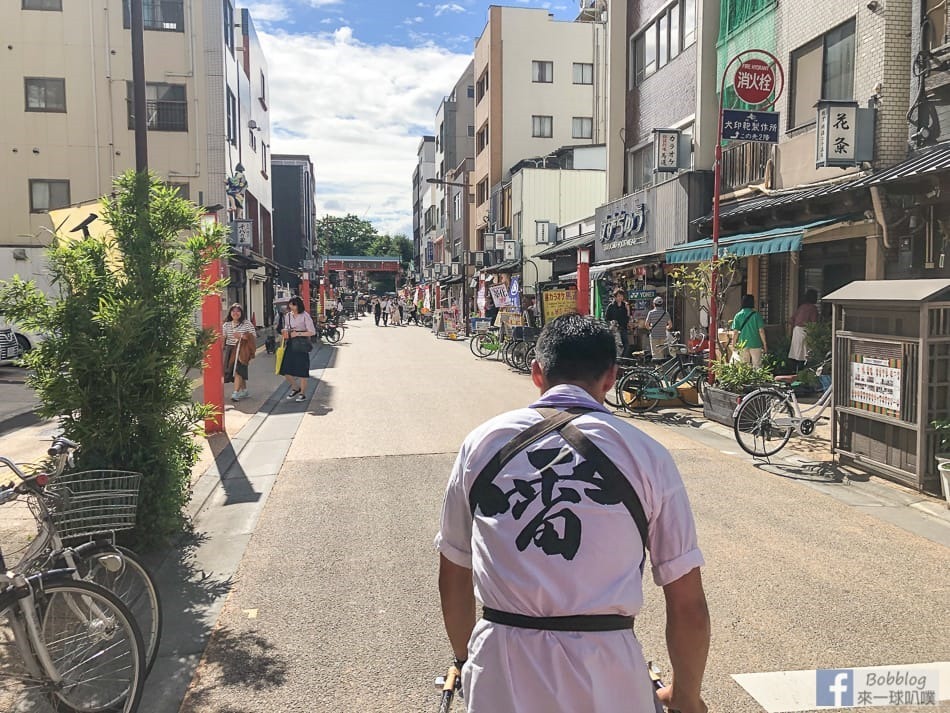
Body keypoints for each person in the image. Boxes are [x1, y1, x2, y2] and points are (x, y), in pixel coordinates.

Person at [436, 314, 709, 713]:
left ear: (536, 373)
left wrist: (466, 661)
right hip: (609, 674)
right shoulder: (647, 455)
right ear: (611, 377)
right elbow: (687, 602)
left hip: (500, 668)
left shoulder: (481, 444)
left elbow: (453, 575)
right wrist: (685, 697)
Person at [279, 296, 316, 402]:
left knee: (302, 369)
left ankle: (302, 393)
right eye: (290, 304)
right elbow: (287, 326)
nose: (292, 307)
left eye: (294, 304)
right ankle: (295, 387)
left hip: (301, 343)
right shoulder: (288, 316)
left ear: (299, 305)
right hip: (291, 342)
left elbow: (312, 331)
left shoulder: (305, 316)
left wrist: (298, 333)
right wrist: (285, 331)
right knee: (285, 369)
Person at [222, 303, 256, 401]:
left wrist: (241, 336)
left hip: (242, 350)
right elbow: (223, 339)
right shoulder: (226, 325)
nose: (235, 313)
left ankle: (235, 393)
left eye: (238, 311)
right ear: (230, 313)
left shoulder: (247, 323)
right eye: (233, 311)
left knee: (238, 371)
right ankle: (244, 391)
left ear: (241, 313)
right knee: (239, 372)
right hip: (230, 349)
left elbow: (253, 337)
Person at [732, 294, 767, 368]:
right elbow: (761, 331)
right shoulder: (757, 315)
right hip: (756, 343)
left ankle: (746, 380)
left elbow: (735, 333)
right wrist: (765, 344)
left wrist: (733, 345)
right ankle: (757, 379)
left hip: (743, 344)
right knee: (757, 366)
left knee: (744, 367)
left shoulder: (738, 315)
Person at [788, 289, 819, 371]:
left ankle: (793, 372)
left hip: (796, 330)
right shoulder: (813, 308)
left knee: (796, 353)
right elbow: (814, 323)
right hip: (805, 331)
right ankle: (802, 373)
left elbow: (791, 319)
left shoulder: (802, 307)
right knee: (805, 354)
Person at [604, 288, 631, 359]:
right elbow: (606, 318)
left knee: (626, 345)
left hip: (623, 327)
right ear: (615, 297)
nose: (620, 298)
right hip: (614, 329)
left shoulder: (624, 305)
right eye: (618, 296)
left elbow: (627, 317)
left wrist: (628, 309)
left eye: (621, 296)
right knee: (616, 345)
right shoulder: (611, 306)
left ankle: (623, 360)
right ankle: (615, 359)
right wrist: (611, 322)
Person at [645, 296, 672, 361]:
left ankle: (658, 369)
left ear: (654, 304)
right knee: (661, 352)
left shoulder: (651, 313)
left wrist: (650, 328)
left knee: (655, 353)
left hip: (654, 335)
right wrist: (665, 327)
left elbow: (646, 324)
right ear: (662, 304)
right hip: (663, 335)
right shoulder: (666, 313)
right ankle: (661, 367)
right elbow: (670, 325)